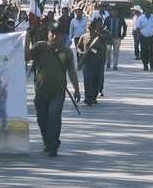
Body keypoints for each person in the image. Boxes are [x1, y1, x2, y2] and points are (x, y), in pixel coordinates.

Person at [25, 24, 80, 157]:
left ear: (62, 36)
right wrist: (26, 41)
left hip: (58, 91)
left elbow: (71, 71)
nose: (55, 36)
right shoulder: (40, 46)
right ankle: (47, 140)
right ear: (48, 34)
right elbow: (27, 57)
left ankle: (53, 144)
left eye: (58, 34)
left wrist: (77, 89)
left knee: (54, 116)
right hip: (41, 91)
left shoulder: (66, 51)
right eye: (52, 33)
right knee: (41, 118)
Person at [77, 23, 106, 106]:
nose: (90, 30)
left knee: (96, 80)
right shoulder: (84, 36)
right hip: (87, 62)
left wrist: (93, 51)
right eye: (88, 28)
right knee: (87, 79)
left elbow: (103, 49)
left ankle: (93, 97)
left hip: (97, 62)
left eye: (92, 28)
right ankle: (87, 98)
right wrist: (82, 52)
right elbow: (78, 46)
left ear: (95, 28)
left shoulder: (100, 37)